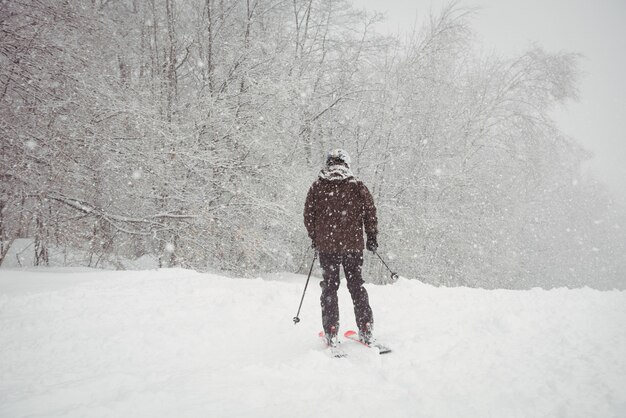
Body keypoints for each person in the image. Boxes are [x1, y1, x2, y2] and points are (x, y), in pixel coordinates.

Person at [304, 149, 378, 348]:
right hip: (353, 246)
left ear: (329, 163)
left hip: (327, 247)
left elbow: (308, 216)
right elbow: (370, 213)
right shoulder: (357, 187)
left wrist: (315, 237)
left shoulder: (317, 187)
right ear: (346, 164)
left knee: (330, 287)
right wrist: (371, 237)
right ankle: (366, 326)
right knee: (356, 286)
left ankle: (331, 330)